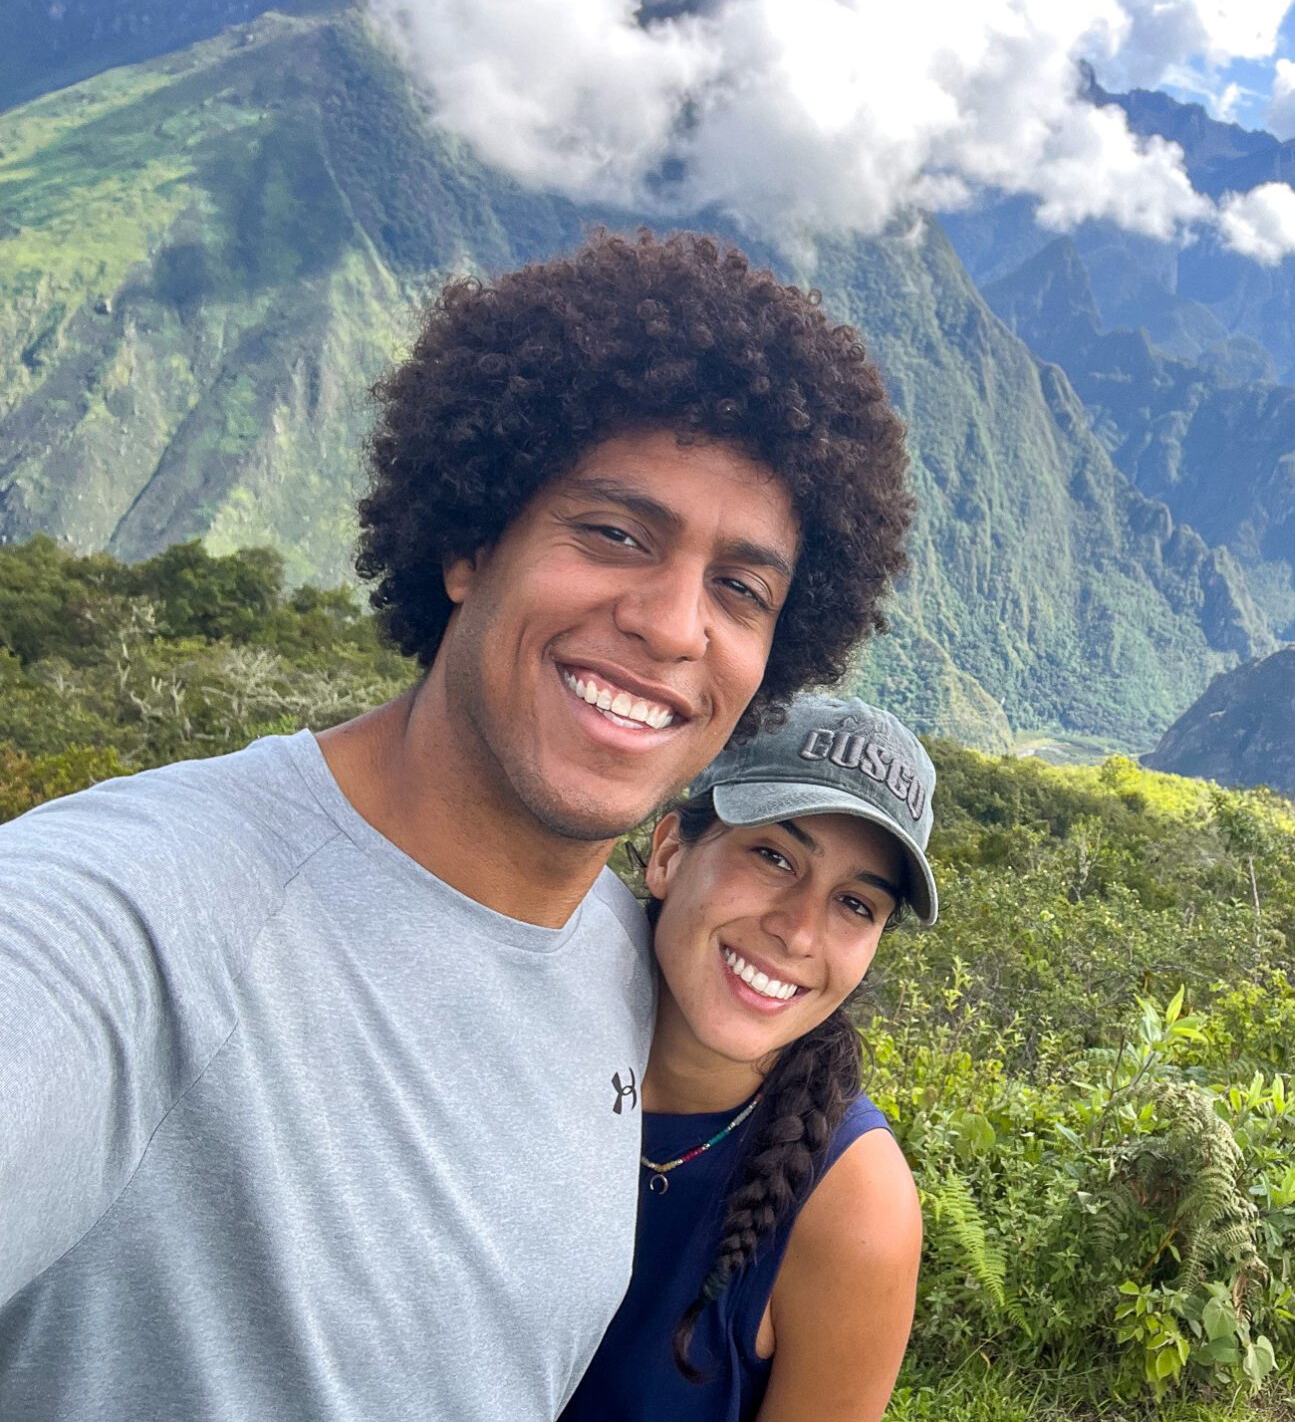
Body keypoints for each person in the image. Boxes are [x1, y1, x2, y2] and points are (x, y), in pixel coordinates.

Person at [0, 230, 915, 1420]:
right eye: (616, 533)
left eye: (740, 588)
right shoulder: (134, 919)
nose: (673, 624)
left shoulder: (619, 964)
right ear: (469, 543)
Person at [562, 693, 935, 1422]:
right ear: (670, 852)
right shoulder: (524, 1026)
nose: (799, 932)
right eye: (773, 856)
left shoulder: (855, 1207)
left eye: (856, 905)